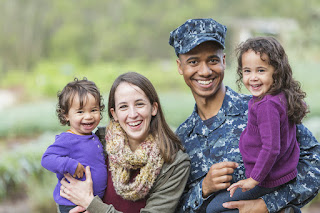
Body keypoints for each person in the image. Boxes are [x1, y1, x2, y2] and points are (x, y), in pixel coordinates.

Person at [169, 18, 320, 213]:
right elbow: (173, 206)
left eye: (213, 60)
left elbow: (315, 162)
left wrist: (268, 205)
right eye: (193, 61)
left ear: (224, 61)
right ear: (180, 67)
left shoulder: (263, 108)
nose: (205, 71)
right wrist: (204, 189)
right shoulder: (181, 138)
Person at [59, 72, 191, 213]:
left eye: (139, 104)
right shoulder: (99, 142)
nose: (133, 114)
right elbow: (70, 191)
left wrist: (91, 204)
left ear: (153, 108)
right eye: (123, 107)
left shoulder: (174, 163)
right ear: (114, 113)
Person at [206, 36, 308, 213]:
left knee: (214, 208)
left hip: (269, 178)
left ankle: (282, 210)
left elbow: (271, 148)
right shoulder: (277, 97)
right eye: (247, 71)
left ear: (276, 71)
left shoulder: (266, 105)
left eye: (261, 70)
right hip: (280, 172)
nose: (253, 78)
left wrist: (254, 179)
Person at [41, 78, 108, 213]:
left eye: (93, 110)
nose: (88, 116)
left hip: (92, 202)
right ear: (66, 115)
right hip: (71, 204)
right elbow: (46, 159)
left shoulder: (93, 136)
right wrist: (70, 165)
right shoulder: (67, 139)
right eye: (80, 112)